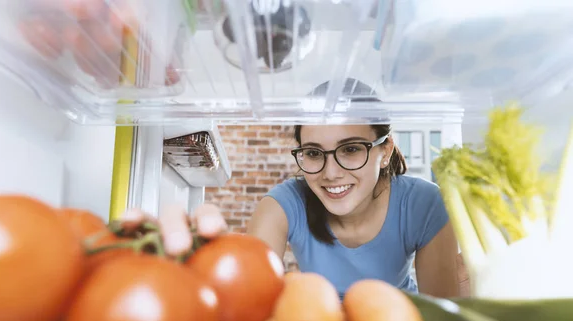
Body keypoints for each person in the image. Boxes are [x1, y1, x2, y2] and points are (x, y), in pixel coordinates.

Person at [123, 80, 463, 299]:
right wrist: (199, 268)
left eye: (351, 149)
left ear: (384, 150)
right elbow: (249, 294)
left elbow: (443, 317)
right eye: (314, 153)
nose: (331, 173)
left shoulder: (423, 203)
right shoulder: (284, 204)